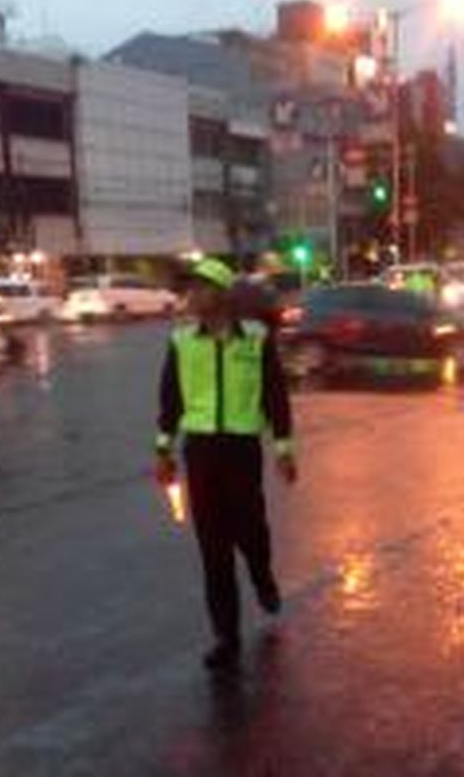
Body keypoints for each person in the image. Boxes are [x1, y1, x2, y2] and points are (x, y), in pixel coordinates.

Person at [154, 258, 297, 671]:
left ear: (221, 294)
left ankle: (262, 576)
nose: (191, 296)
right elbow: (170, 401)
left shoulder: (255, 338)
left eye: (199, 288)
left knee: (251, 532)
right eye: (189, 289)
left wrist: (284, 449)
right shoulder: (182, 341)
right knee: (213, 550)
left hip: (242, 449)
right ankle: (226, 638)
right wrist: (163, 450)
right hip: (201, 452)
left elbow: (275, 396)